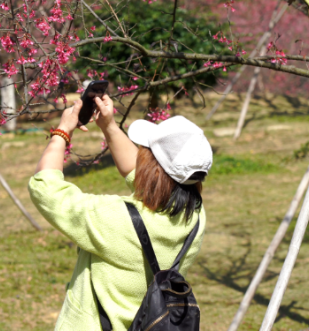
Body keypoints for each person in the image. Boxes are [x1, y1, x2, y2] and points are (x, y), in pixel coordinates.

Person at [28, 94, 212, 330]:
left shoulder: (116, 220)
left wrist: (62, 131)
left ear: (154, 169)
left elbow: (45, 187)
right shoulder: (196, 217)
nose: (140, 154)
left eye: (145, 151)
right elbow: (143, 174)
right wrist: (109, 126)